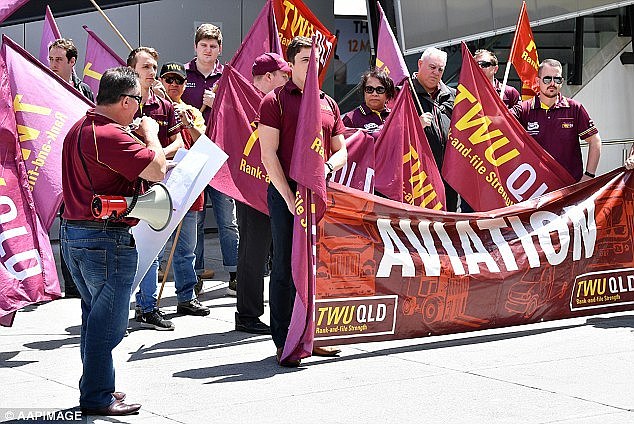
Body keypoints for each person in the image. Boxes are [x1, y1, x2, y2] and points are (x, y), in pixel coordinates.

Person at [60, 66, 166, 416]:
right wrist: (150, 133)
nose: (142, 106)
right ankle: (96, 397)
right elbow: (156, 169)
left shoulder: (81, 128)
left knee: (95, 318)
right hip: (105, 238)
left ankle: (99, 387)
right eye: (139, 100)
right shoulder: (108, 135)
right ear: (125, 101)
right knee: (109, 324)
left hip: (77, 234)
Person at [258, 37, 347, 366]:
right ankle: (285, 341)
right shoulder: (274, 101)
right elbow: (268, 155)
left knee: (316, 265)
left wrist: (325, 168)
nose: (312, 65)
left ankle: (312, 335)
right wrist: (288, 197)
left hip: (318, 193)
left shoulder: (329, 104)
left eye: (317, 59)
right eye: (305, 59)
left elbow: (342, 151)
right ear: (291, 64)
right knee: (284, 265)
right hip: (286, 194)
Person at [126, 47, 194, 331]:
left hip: (156, 183)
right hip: (127, 186)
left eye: (154, 67)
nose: (152, 73)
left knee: (152, 245)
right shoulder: (122, 102)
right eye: (146, 67)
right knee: (129, 247)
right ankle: (124, 304)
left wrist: (157, 154)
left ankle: (147, 307)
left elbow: (179, 141)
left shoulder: (163, 105)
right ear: (132, 70)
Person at [234, 53, 291, 335]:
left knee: (276, 253)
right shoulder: (250, 102)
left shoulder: (280, 102)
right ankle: (248, 314)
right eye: (283, 75)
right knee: (253, 252)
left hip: (275, 186)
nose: (287, 80)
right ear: (268, 77)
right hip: (253, 185)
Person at [182, 23, 239, 294]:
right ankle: (196, 275)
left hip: (220, 155)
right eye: (203, 45)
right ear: (195, 47)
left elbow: (237, 114)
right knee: (197, 219)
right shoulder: (182, 74)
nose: (208, 50)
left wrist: (219, 104)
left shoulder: (227, 76)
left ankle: (235, 272)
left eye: (213, 46)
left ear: (220, 49)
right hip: (193, 153)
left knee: (227, 218)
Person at [153, 61, 211, 316]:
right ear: (161, 82)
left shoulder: (192, 112)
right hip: (160, 185)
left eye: (179, 81)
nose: (174, 85)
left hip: (187, 184)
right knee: (154, 246)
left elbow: (205, 143)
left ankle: (186, 296)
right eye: (169, 80)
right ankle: (147, 301)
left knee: (186, 248)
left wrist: (189, 124)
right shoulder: (152, 108)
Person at [48, 38, 95, 299]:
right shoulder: (42, 86)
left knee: (71, 223)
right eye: (51, 59)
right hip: (47, 166)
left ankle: (73, 286)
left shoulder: (84, 90)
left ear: (72, 62)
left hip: (74, 169)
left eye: (58, 60)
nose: (53, 64)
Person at [511, 59, 601, 182]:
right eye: (547, 79)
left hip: (569, 187)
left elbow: (595, 140)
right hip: (535, 189)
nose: (552, 83)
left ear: (562, 82)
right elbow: (500, 122)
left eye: (557, 79)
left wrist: (589, 175)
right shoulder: (524, 109)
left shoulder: (574, 108)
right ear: (538, 81)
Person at [411, 47, 458, 212]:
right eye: (432, 67)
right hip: (418, 177)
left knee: (448, 224)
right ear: (420, 64)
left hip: (449, 176)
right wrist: (416, 125)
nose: (436, 73)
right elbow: (393, 132)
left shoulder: (453, 95)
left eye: (440, 69)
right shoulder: (403, 94)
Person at [342, 68, 395, 133]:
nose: (374, 94)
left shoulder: (395, 116)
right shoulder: (350, 119)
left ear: (388, 93)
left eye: (380, 90)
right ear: (364, 92)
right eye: (369, 89)